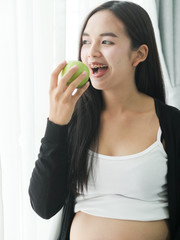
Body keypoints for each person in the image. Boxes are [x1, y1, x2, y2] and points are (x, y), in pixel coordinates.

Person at [29, 1, 180, 240]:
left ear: (139, 54)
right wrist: (57, 122)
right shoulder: (73, 119)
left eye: (106, 41)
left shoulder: (171, 124)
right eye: (86, 41)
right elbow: (43, 205)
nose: (91, 52)